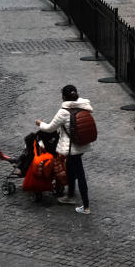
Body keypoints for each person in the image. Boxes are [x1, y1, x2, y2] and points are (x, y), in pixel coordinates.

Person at [36, 84, 95, 214]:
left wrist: (40, 123)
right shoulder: (83, 107)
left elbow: (50, 128)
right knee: (70, 169)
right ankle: (70, 195)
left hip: (71, 149)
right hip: (81, 145)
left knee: (80, 175)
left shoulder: (64, 112)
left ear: (64, 97)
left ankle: (85, 207)